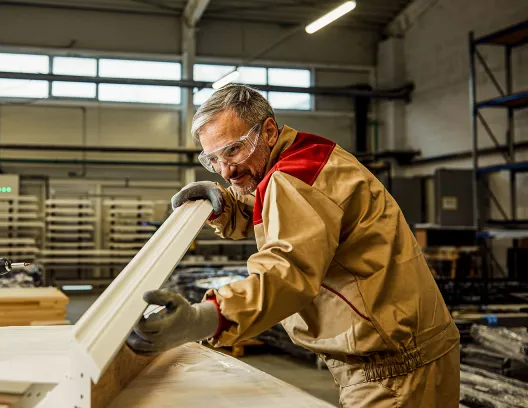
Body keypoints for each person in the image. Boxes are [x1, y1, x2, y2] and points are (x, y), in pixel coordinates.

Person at [126, 84, 460, 407]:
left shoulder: (293, 180)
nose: (225, 171)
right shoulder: (307, 155)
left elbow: (286, 275)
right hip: (410, 346)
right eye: (212, 159)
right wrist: (224, 205)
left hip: (392, 367)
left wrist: (205, 318)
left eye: (233, 150)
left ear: (269, 131)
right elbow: (283, 214)